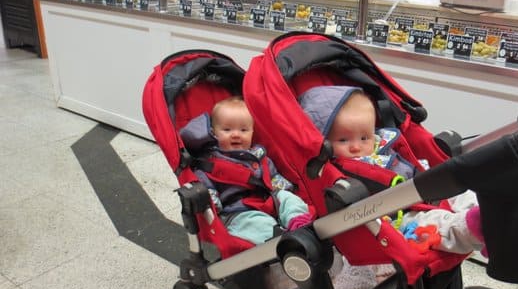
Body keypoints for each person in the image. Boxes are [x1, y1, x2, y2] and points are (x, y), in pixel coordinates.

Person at [298, 85, 485, 255]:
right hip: (392, 214)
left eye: (364, 138)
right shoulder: (330, 170)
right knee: (431, 225)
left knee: (461, 192)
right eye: (343, 140)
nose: (356, 147)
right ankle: (474, 228)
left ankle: (489, 210)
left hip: (422, 186)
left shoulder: (383, 144)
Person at [180, 96, 313, 245]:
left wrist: (285, 189)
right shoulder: (210, 162)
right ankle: (282, 239)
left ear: (252, 132)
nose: (236, 134)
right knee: (258, 225)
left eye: (243, 130)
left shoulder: (258, 156)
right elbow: (205, 183)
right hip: (238, 211)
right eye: (227, 129)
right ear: (214, 133)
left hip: (267, 200)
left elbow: (273, 176)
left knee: (287, 198)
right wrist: (213, 202)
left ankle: (299, 223)